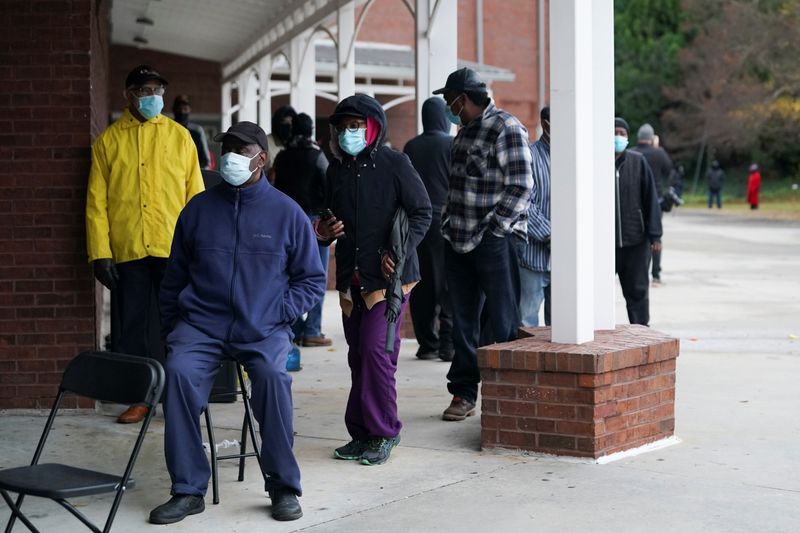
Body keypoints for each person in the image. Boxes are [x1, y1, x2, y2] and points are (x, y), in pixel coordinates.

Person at [149, 121, 326, 525]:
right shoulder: (197, 209)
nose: (230, 157)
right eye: (226, 148)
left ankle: (282, 485)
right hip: (201, 327)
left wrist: (279, 312)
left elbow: (312, 279)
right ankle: (188, 488)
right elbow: (173, 278)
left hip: (263, 328)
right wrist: (173, 329)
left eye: (240, 150)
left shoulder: (287, 213)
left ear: (261, 158)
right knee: (176, 372)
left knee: (273, 378)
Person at [316, 94, 431, 466]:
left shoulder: (395, 163)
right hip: (353, 280)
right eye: (343, 126)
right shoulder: (335, 170)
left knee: (376, 353)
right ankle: (361, 433)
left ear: (373, 127)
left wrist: (396, 253)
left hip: (389, 282)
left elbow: (422, 212)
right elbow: (326, 216)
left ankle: (385, 431)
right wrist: (324, 230)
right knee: (357, 356)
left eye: (356, 125)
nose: (348, 132)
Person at [86, 65, 204, 424]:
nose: (153, 97)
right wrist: (100, 253)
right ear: (129, 94)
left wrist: (199, 247)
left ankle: (178, 398)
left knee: (178, 326)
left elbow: (195, 195)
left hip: (173, 249)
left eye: (157, 90)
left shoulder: (180, 137)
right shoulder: (109, 141)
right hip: (130, 249)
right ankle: (139, 398)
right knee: (132, 328)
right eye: (145, 90)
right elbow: (96, 202)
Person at [434, 67, 533, 421]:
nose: (448, 105)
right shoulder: (461, 134)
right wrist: (447, 222)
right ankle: (463, 393)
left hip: (495, 241)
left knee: (503, 321)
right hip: (457, 238)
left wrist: (495, 230)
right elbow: (456, 188)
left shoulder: (505, 127)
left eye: (450, 99)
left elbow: (521, 184)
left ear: (464, 97)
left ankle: (503, 393)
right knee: (462, 321)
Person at [273, 112, 332, 347]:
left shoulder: (282, 157)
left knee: (290, 276)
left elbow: (275, 187)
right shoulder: (317, 157)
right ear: (311, 131)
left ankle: (294, 327)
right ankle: (312, 329)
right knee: (317, 275)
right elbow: (328, 188)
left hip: (285, 222)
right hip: (314, 221)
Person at [403, 97, 455, 361]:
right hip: (447, 222)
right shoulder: (452, 144)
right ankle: (448, 343)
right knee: (448, 282)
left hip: (418, 224)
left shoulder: (412, 146)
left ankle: (427, 344)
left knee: (421, 283)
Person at [613, 117, 663, 326]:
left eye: (622, 134)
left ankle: (641, 334)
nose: (618, 137)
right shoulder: (594, 162)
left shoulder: (638, 161)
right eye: (614, 133)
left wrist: (655, 234)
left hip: (636, 241)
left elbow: (650, 199)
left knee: (638, 292)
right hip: (605, 244)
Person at [518, 106, 551, 327]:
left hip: (567, 261)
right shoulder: (529, 155)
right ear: (546, 125)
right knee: (526, 323)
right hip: (533, 257)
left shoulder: (575, 158)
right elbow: (524, 202)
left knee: (564, 326)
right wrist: (551, 235)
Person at [631, 123, 672, 286]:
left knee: (638, 239)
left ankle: (637, 273)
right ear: (651, 138)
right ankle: (655, 275)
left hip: (635, 201)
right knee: (655, 236)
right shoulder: (659, 153)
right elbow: (668, 169)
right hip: (656, 201)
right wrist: (657, 147)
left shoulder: (632, 152)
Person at [172, 94, 212, 169]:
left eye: (185, 109)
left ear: (189, 110)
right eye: (179, 109)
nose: (182, 112)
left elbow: (205, 160)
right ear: (174, 109)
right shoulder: (168, 129)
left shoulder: (197, 131)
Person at [266, 105, 298, 180]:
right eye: (285, 123)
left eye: (292, 123)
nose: (289, 127)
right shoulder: (265, 142)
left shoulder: (297, 144)